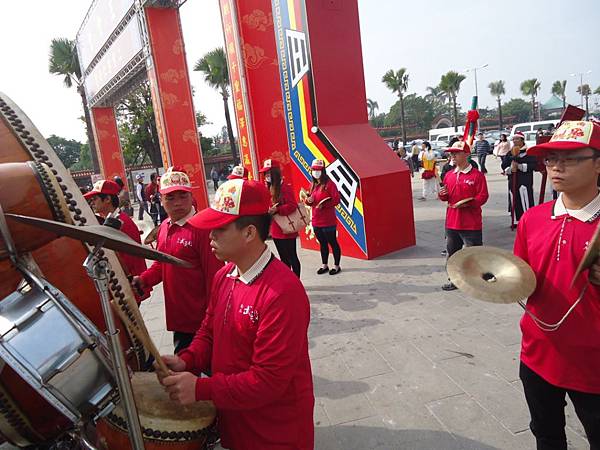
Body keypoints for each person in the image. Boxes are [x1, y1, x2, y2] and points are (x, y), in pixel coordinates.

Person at [157, 178, 314, 450]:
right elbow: (208, 330)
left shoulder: (282, 293)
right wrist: (188, 360)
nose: (210, 237)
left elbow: (267, 381)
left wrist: (200, 389)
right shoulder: (224, 275)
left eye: (219, 229)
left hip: (275, 431)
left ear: (249, 233)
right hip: (235, 419)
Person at [513, 120, 600, 449]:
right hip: (537, 354)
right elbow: (522, 278)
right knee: (547, 436)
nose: (556, 167)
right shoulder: (532, 218)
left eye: (570, 158)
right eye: (550, 159)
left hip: (593, 364)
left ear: (598, 163)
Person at [132, 167, 223, 353]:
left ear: (191, 196)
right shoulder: (165, 227)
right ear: (160, 199)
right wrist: (144, 279)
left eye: (183, 196)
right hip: (178, 316)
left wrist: (213, 318)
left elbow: (214, 276)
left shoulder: (202, 229)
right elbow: (162, 263)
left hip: (202, 320)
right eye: (170, 198)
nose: (177, 203)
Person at [84, 179, 150, 302]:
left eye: (95, 199)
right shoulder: (111, 220)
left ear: (107, 199)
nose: (92, 203)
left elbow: (129, 259)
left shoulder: (123, 223)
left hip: (131, 284)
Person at [438, 141, 489, 291]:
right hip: (452, 222)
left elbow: (483, 196)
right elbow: (445, 196)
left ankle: (478, 281)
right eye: (451, 153)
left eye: (456, 153)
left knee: (474, 253)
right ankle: (454, 280)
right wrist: (442, 195)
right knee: (453, 254)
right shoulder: (449, 175)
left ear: (466, 154)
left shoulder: (477, 175)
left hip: (471, 223)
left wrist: (470, 203)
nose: (452, 156)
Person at [259, 159, 301, 277]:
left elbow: (292, 205)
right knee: (283, 258)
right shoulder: (268, 188)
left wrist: (278, 209)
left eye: (269, 173)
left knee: (292, 256)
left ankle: (296, 281)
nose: (266, 176)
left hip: (287, 228)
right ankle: (288, 282)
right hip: (276, 229)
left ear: (275, 173)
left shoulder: (284, 188)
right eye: (265, 174)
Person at [304, 159, 342, 275]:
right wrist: (308, 201)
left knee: (332, 242)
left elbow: (336, 200)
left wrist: (324, 205)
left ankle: (336, 266)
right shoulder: (312, 185)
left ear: (323, 171)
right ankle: (324, 265)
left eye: (318, 170)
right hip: (316, 220)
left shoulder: (330, 184)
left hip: (328, 221)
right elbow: (309, 200)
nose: (315, 172)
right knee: (322, 243)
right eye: (314, 170)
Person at [501, 132, 537, 223]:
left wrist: (520, 166)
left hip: (525, 180)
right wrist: (510, 169)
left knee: (526, 199)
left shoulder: (529, 152)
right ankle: (517, 221)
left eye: (517, 139)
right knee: (515, 199)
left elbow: (533, 165)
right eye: (513, 139)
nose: (515, 141)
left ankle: (528, 220)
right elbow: (504, 165)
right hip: (513, 180)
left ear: (522, 140)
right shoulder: (510, 153)